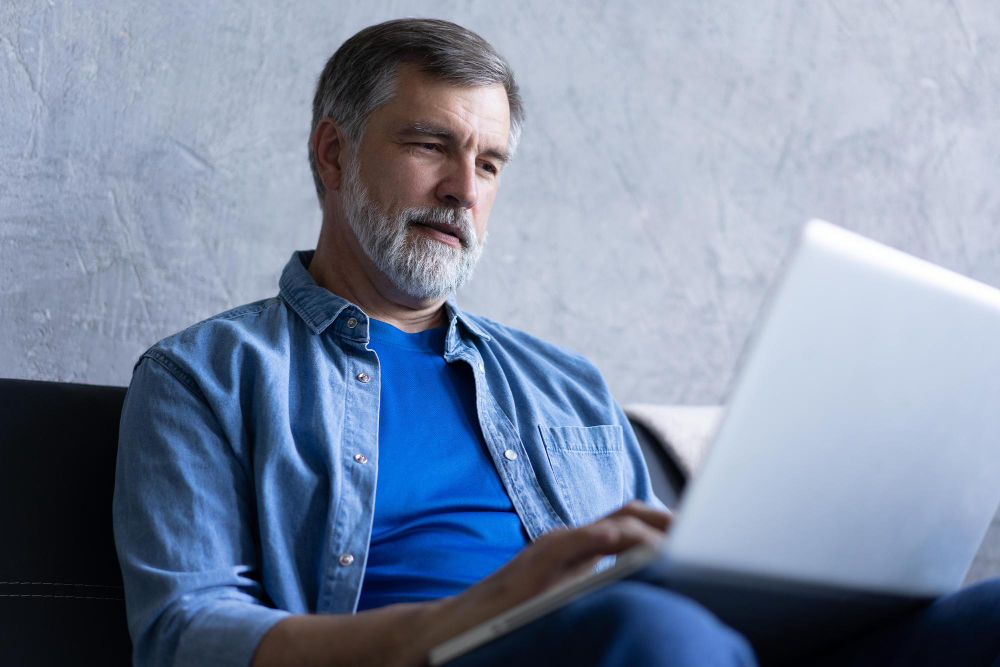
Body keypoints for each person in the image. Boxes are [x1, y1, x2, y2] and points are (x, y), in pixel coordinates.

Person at [113, 18, 1000, 667]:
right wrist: (460, 617)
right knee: (657, 633)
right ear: (333, 155)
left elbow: (659, 573)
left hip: (660, 645)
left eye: (490, 162)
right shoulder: (205, 377)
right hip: (473, 654)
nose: (464, 188)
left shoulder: (565, 384)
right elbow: (185, 631)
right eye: (431, 144)